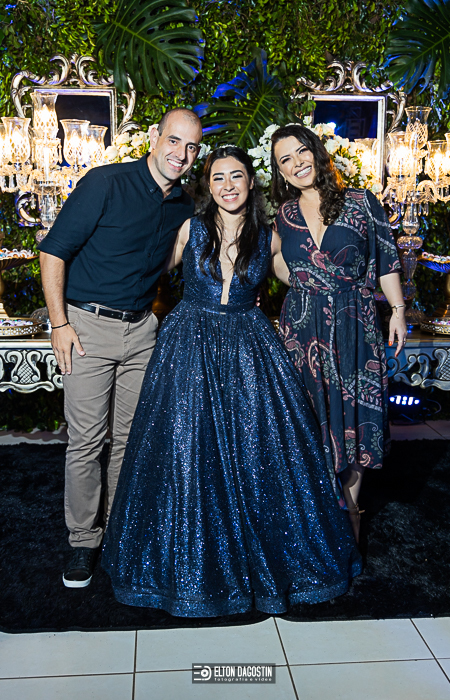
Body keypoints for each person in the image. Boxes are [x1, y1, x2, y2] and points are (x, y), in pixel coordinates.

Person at [101, 146, 361, 617]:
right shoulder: (191, 228)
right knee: (185, 451)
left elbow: (305, 281)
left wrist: (356, 296)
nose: (227, 186)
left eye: (236, 176)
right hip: (189, 344)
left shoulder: (271, 237)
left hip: (249, 346)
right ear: (208, 185)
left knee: (260, 453)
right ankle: (185, 566)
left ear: (250, 182)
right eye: (218, 177)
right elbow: (143, 268)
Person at [38, 108, 203, 588]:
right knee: (87, 441)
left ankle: (117, 531)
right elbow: (53, 250)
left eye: (191, 147)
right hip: (86, 328)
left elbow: (177, 259)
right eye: (174, 141)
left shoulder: (184, 205)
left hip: (142, 330)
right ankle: (83, 541)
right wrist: (59, 323)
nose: (181, 154)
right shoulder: (106, 183)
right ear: (154, 137)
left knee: (130, 440)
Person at [270, 124, 407, 542]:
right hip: (301, 329)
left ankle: (351, 515)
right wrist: (302, 281)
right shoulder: (284, 214)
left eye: (301, 152)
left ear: (317, 151)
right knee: (307, 419)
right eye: (285, 160)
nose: (297, 163)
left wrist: (398, 310)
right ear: (280, 171)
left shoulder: (361, 202)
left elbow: (386, 258)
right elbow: (276, 262)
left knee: (354, 417)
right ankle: (315, 519)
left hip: (353, 324)